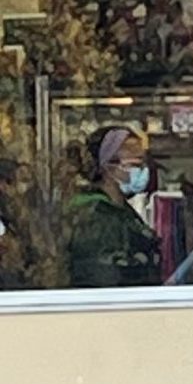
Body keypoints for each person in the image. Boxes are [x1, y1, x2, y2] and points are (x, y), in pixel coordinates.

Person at [64, 124, 162, 289]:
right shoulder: (96, 215)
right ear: (108, 167)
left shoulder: (121, 210)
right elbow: (102, 275)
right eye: (135, 164)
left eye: (143, 163)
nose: (143, 171)